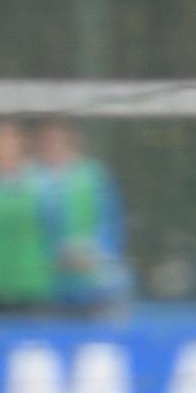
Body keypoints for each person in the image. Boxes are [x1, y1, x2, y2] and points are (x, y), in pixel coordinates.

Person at [35, 119, 128, 310]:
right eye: (47, 141)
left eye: (58, 140)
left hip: (94, 283)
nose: (53, 146)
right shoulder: (34, 179)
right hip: (51, 285)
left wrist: (95, 253)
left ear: (72, 140)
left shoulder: (93, 175)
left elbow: (111, 221)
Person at [0, 119, 54, 311]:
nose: (2, 145)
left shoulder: (42, 182)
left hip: (33, 284)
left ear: (21, 142)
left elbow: (55, 228)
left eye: (8, 139)